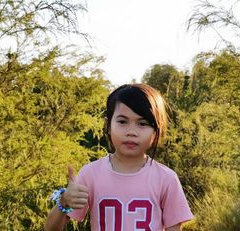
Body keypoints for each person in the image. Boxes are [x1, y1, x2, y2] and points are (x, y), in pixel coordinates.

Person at [45, 84, 194, 231]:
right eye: (122, 122)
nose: (131, 131)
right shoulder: (91, 174)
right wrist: (64, 201)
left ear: (156, 131)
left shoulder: (166, 179)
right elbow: (51, 229)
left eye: (142, 123)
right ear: (108, 125)